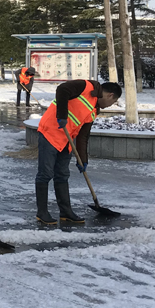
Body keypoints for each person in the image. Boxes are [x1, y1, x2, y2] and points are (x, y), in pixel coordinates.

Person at [35, 79, 122, 226]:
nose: (110, 105)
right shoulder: (85, 87)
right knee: (45, 173)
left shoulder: (94, 110)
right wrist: (62, 116)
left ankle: (66, 212)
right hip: (50, 133)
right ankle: (42, 213)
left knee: (62, 175)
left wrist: (83, 159)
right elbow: (62, 89)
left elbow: (83, 136)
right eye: (113, 102)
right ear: (110, 95)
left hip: (65, 140)